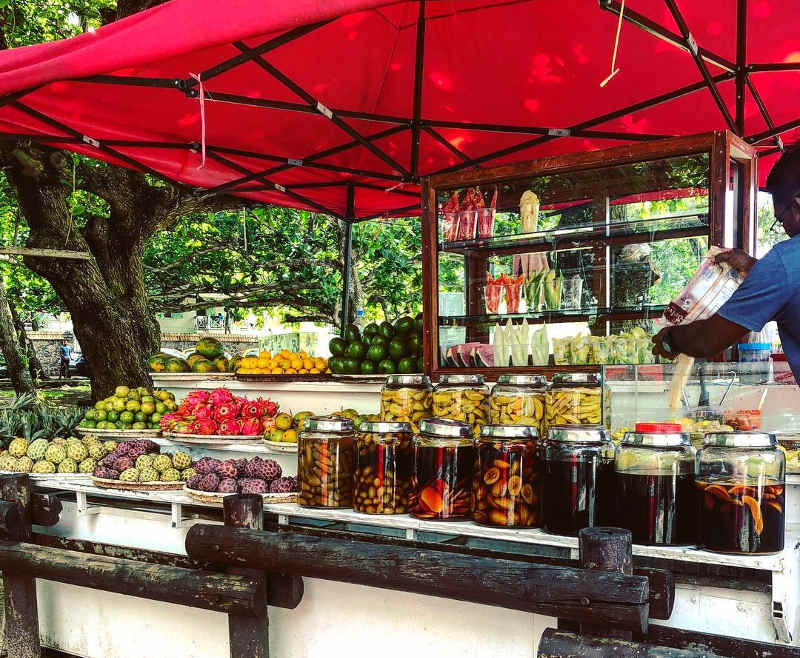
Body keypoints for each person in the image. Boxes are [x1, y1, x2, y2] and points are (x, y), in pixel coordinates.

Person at [652, 145, 800, 383]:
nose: (784, 228)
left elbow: (706, 340)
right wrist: (755, 268)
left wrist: (671, 338)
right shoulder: (784, 268)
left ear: (797, 206)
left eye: (780, 219)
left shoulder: (784, 263)